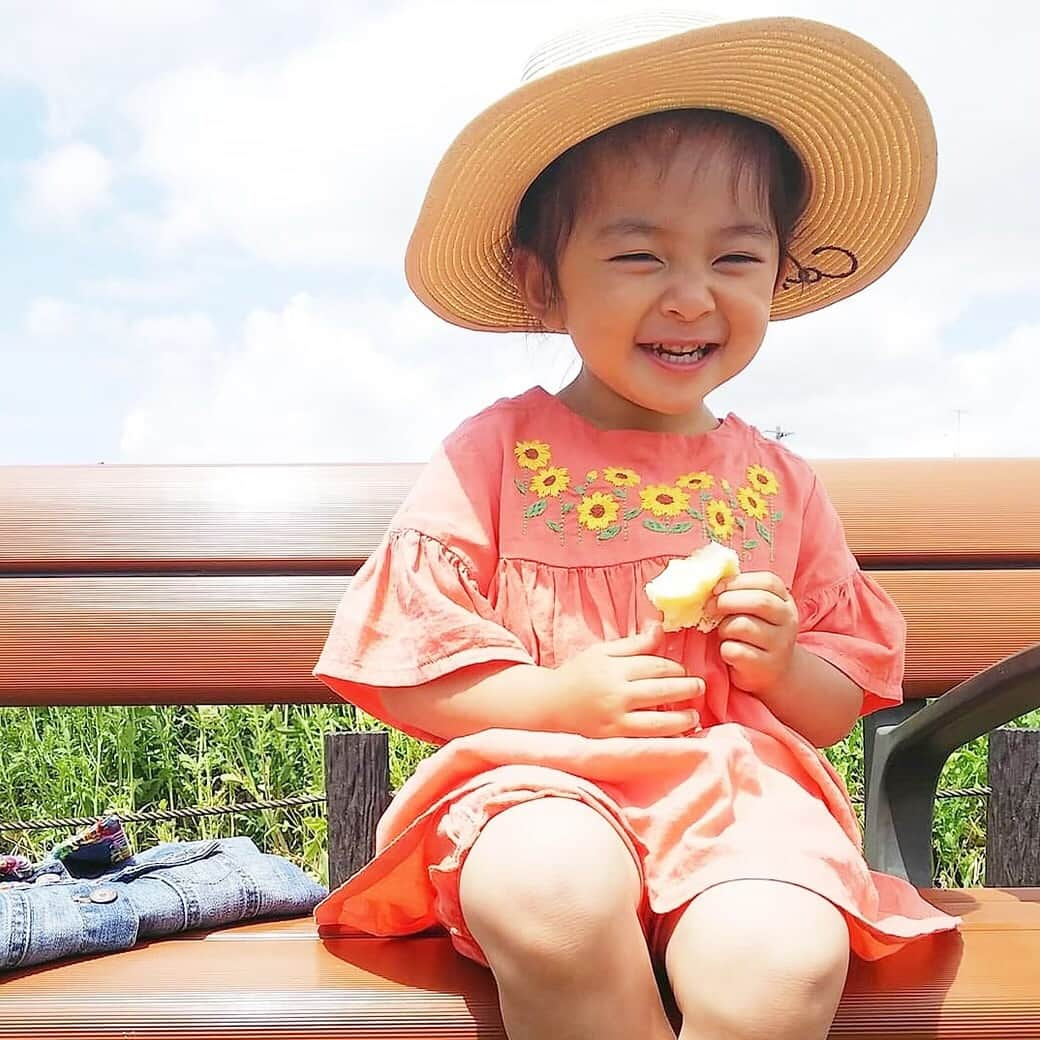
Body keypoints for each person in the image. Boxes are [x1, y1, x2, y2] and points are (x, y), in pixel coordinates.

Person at [312, 13, 958, 1040]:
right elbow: (404, 665)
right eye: (637, 253)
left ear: (778, 275)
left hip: (738, 803)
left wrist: (785, 663)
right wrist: (553, 696)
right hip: (540, 785)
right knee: (551, 896)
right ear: (542, 277)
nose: (691, 296)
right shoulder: (492, 454)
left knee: (784, 957)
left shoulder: (779, 481)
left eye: (735, 257)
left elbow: (837, 699)